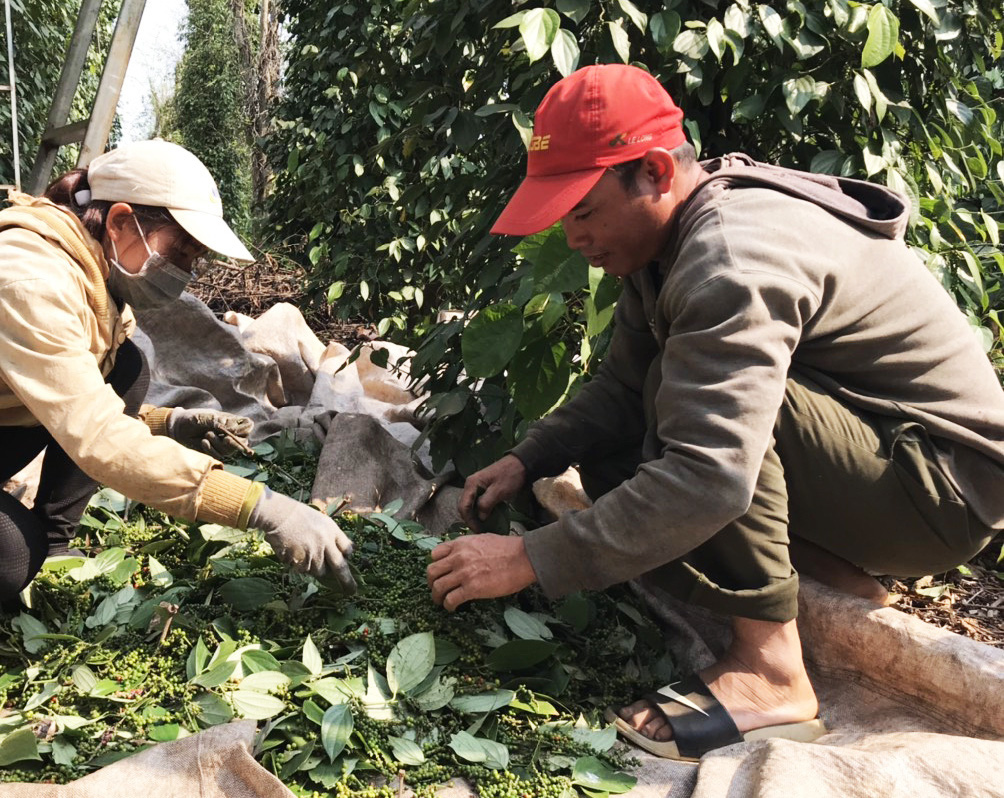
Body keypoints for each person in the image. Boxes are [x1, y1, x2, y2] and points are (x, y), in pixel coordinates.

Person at [426, 65, 1004, 761]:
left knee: (697, 411)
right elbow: (620, 387)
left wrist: (531, 558)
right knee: (632, 434)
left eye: (582, 210)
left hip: (943, 488)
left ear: (653, 172)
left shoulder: (728, 256)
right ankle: (829, 578)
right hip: (877, 455)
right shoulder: (660, 247)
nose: (572, 236)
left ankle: (771, 673)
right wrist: (531, 458)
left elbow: (712, 475)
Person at [0, 139, 356, 644]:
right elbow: (98, 438)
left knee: (125, 364)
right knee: (0, 558)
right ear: (121, 222)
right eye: (180, 253)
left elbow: (74, 392)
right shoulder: (28, 282)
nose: (187, 272)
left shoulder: (89, 277)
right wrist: (262, 508)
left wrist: (168, 423)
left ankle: (52, 545)